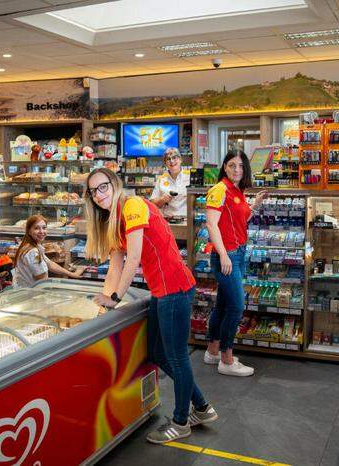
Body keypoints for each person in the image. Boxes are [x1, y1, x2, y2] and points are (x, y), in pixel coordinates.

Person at [84, 168, 216, 444]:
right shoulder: (114, 219)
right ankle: (202, 408)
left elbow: (132, 259)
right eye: (93, 191)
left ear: (115, 184)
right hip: (162, 291)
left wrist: (116, 298)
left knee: (178, 358)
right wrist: (102, 306)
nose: (99, 195)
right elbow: (116, 265)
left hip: (175, 289)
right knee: (158, 352)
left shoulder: (132, 206)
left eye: (103, 187)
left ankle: (181, 422)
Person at [204, 150, 269, 377]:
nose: (237, 170)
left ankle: (212, 351)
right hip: (228, 255)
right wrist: (223, 255)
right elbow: (211, 225)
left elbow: (240, 219)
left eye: (241, 166)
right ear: (224, 166)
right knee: (237, 306)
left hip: (238, 253)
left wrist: (255, 205)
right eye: (232, 165)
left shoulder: (237, 190)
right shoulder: (218, 190)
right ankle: (227, 359)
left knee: (223, 304)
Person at [13, 215, 85, 288]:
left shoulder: (32, 246)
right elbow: (43, 282)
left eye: (44, 228)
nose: (41, 232)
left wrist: (73, 274)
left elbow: (50, 264)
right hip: (31, 294)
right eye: (36, 228)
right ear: (29, 231)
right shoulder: (33, 252)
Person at [150, 147, 189, 218]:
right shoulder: (161, 179)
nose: (171, 161)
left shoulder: (189, 176)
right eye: (168, 159)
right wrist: (162, 199)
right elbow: (152, 203)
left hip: (187, 220)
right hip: (167, 219)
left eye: (174, 157)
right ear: (165, 163)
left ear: (180, 160)